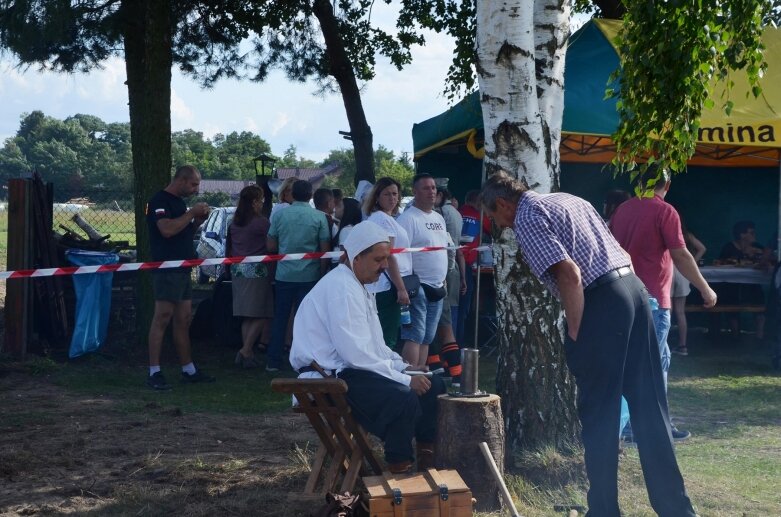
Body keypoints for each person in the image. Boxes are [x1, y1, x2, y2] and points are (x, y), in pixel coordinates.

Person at [480, 170, 701, 517]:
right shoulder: (567, 199)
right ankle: (677, 509)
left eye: (494, 215)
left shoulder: (527, 217)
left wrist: (576, 332)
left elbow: (570, 274)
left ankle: (603, 511)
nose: (499, 224)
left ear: (504, 203)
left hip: (602, 302)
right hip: (635, 292)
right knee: (651, 408)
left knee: (600, 413)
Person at [290, 221, 445, 473]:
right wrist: (405, 380)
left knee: (433, 385)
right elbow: (356, 356)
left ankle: (427, 462)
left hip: (350, 372)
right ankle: (399, 470)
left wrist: (405, 367)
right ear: (356, 258)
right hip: (328, 378)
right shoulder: (342, 288)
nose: (384, 266)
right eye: (378, 259)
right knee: (402, 398)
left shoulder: (358, 285)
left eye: (386, 259)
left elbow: (375, 346)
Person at [610, 169, 717, 442]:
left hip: (624, 296)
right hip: (654, 300)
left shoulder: (622, 210)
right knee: (648, 367)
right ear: (666, 184)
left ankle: (655, 424)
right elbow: (681, 254)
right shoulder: (665, 211)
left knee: (655, 362)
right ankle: (638, 428)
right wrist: (705, 288)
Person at [145, 165, 215, 390]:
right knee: (162, 316)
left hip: (183, 268)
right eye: (194, 184)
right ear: (182, 180)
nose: (196, 189)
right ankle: (154, 371)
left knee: (184, 319)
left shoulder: (180, 204)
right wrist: (191, 214)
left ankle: (188, 369)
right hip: (167, 268)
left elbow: (182, 234)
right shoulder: (159, 201)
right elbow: (166, 230)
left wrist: (196, 223)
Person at [267, 180, 332, 372]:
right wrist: (321, 273)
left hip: (284, 275)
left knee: (280, 318)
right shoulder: (319, 217)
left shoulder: (280, 215)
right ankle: (306, 361)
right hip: (310, 276)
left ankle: (273, 361)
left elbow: (270, 246)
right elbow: (324, 250)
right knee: (307, 321)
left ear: (292, 194)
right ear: (311, 196)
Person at [397, 174, 449, 369]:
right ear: (415, 192)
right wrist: (404, 286)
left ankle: (421, 377)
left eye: (434, 187)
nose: (432, 192)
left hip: (437, 285)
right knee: (415, 335)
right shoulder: (407, 219)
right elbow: (400, 255)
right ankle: (409, 377)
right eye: (426, 188)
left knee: (427, 336)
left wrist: (444, 278)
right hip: (417, 286)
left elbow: (443, 249)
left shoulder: (438, 218)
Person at [227, 185, 274, 368]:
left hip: (238, 271)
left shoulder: (235, 223)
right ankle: (246, 349)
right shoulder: (261, 223)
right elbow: (271, 244)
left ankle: (247, 353)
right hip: (257, 272)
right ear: (255, 202)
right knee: (262, 312)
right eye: (261, 200)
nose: (262, 204)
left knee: (247, 314)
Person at [363, 177, 412, 349]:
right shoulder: (383, 220)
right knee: (386, 337)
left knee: (381, 336)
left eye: (395, 194)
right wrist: (401, 288)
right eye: (387, 194)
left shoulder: (381, 219)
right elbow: (388, 255)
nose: (392, 198)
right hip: (387, 286)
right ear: (377, 197)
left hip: (383, 285)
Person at [717, 220, 768, 339]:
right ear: (742, 234)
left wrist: (758, 253)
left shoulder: (757, 247)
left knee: (757, 294)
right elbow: (719, 263)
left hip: (751, 285)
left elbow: (769, 259)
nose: (754, 235)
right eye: (751, 233)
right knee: (729, 295)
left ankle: (759, 334)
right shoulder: (729, 247)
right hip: (732, 285)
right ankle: (735, 334)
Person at [457, 190, 492, 344]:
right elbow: (493, 230)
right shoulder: (480, 216)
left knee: (454, 308)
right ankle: (459, 343)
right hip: (465, 265)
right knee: (463, 309)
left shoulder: (457, 212)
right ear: (477, 202)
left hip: (452, 264)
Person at [670, 221, 707, 356]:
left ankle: (664, 344)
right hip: (683, 272)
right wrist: (693, 263)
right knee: (680, 312)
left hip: (668, 272)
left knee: (666, 311)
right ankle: (682, 346)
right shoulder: (686, 234)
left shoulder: (666, 232)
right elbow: (702, 248)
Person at [332, 197, 362, 265]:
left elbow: (344, 256)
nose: (335, 208)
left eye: (339, 206)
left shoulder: (346, 230)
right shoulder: (353, 228)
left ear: (348, 211)